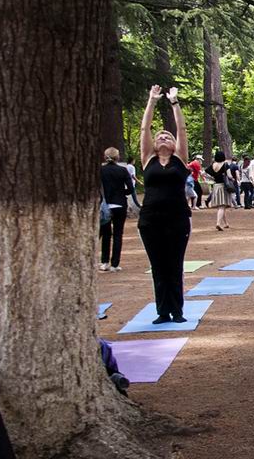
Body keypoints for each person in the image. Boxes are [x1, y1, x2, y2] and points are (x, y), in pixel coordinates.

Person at [138, 85, 192, 324]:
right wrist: (151, 100)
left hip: (177, 218)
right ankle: (162, 311)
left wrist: (174, 102)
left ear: (173, 145)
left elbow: (181, 128)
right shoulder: (147, 159)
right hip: (150, 220)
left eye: (166, 136)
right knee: (158, 266)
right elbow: (144, 128)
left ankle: (177, 311)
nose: (162, 137)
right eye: (159, 136)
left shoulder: (180, 159)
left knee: (175, 265)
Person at [100, 147, 136, 272]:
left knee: (105, 234)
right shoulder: (123, 170)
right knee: (118, 234)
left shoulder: (101, 170)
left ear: (105, 157)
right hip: (120, 204)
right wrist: (122, 193)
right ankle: (115, 264)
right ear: (117, 157)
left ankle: (104, 262)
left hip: (105, 205)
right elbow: (131, 189)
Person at [205, 151, 235, 231]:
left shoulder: (213, 165)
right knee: (222, 206)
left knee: (221, 206)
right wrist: (233, 179)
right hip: (223, 187)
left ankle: (226, 223)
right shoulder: (225, 165)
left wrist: (212, 179)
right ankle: (218, 223)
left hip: (216, 186)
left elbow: (205, 174)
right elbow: (229, 176)